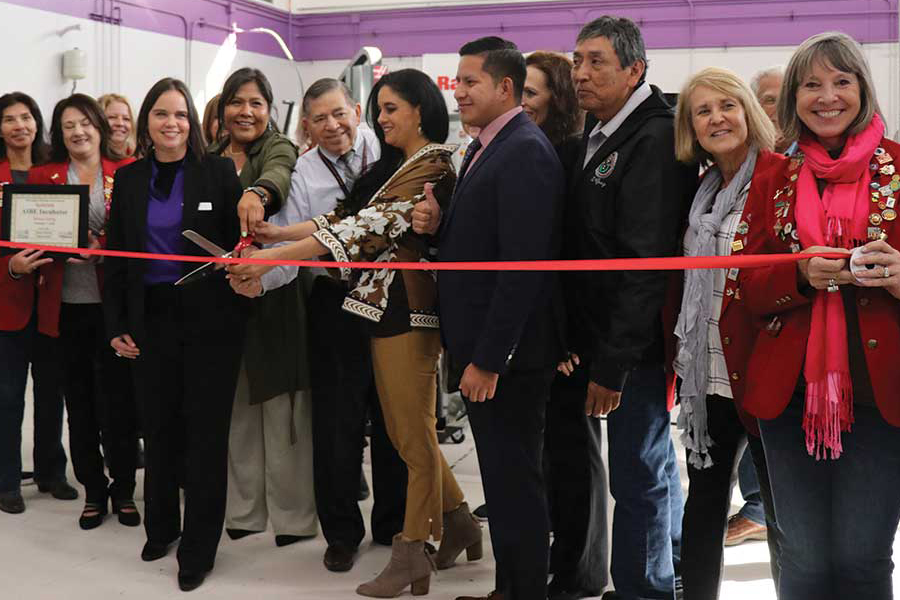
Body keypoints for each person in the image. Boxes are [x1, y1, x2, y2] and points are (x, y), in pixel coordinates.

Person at [228, 68, 482, 598]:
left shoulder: (433, 162)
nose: (379, 117)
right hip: (373, 310)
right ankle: (458, 521)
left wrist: (272, 255)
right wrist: (276, 238)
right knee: (401, 432)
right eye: (379, 108)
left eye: (389, 108)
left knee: (411, 441)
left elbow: (359, 232)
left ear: (419, 108)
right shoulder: (403, 162)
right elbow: (345, 216)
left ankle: (413, 549)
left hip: (405, 312)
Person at [737, 32, 900, 600]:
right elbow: (746, 283)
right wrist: (800, 277)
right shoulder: (771, 174)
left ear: (863, 89)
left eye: (841, 81)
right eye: (811, 84)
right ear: (793, 98)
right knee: (802, 558)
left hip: (881, 398)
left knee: (862, 557)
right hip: (790, 398)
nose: (827, 96)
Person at [232, 77, 407, 574]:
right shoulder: (305, 173)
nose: (333, 127)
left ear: (357, 110)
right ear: (306, 127)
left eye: (340, 114)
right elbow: (287, 256)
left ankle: (394, 525)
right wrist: (259, 280)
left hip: (393, 301)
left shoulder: (388, 151)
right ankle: (342, 533)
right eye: (320, 120)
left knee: (396, 419)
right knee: (336, 425)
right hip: (334, 305)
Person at [426, 36, 565, 600]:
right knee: (504, 481)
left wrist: (489, 359)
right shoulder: (487, 146)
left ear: (504, 87)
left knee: (515, 482)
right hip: (486, 349)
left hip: (507, 357)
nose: (458, 93)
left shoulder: (524, 150)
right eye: (458, 82)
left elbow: (522, 269)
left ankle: (523, 589)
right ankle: (511, 586)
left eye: (469, 82)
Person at [103, 77, 248, 592]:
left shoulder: (218, 174)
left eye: (181, 115)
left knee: (205, 437)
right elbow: (117, 258)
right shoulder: (130, 177)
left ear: (194, 122)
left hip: (210, 322)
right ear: (147, 121)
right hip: (151, 318)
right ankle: (160, 527)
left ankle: (198, 547)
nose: (171, 124)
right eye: (162, 114)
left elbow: (239, 252)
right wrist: (116, 324)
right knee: (159, 430)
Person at [568, 17, 696, 600]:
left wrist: (613, 364)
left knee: (638, 474)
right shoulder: (602, 132)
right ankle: (663, 570)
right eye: (577, 62)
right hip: (608, 336)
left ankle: (645, 589)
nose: (581, 74)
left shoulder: (652, 137)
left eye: (597, 62)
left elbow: (645, 263)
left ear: (635, 69)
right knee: (653, 467)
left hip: (634, 345)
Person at [672, 67, 780, 600]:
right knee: (704, 505)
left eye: (727, 105)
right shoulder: (703, 191)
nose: (717, 118)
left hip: (763, 373)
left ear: (747, 111)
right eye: (702, 110)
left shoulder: (781, 176)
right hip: (707, 377)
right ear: (690, 128)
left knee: (781, 513)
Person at [207, 67, 317, 548]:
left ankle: (293, 516)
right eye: (237, 102)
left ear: (270, 110)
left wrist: (256, 192)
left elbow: (276, 175)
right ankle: (245, 510)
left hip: (275, 292)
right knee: (236, 407)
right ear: (222, 108)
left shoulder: (278, 148)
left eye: (256, 103)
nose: (245, 112)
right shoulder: (209, 158)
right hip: (221, 301)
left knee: (283, 406)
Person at [26, 94, 137, 530]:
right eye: (68, 125)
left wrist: (102, 250)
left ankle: (124, 488)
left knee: (120, 405)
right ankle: (93, 491)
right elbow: (27, 234)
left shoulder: (127, 173)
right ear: (59, 133)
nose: (78, 132)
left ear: (100, 126)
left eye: (85, 122)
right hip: (66, 308)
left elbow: (137, 237)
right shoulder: (42, 177)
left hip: (114, 309)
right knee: (81, 405)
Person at [522, 50, 609, 600]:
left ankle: (580, 572)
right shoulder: (537, 151)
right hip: (545, 331)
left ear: (558, 98)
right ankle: (567, 560)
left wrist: (566, 336)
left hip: (570, 335)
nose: (520, 102)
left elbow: (571, 255)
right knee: (555, 451)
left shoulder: (569, 154)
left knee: (576, 455)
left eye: (531, 93)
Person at [0, 91, 77, 514]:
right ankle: (7, 480)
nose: (19, 126)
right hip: (6, 303)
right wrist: (10, 266)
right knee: (8, 396)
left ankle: (51, 472)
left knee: (52, 393)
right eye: (9, 119)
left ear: (37, 122)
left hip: (51, 300)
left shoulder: (54, 173)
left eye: (26, 117)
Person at [750, 66, 791, 154]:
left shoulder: (816, 154)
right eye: (770, 100)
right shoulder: (743, 155)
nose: (781, 108)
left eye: (787, 100)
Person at [97, 93, 136, 158]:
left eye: (126, 119)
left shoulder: (140, 159)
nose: (120, 123)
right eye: (112, 117)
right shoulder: (90, 161)